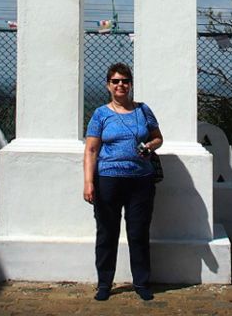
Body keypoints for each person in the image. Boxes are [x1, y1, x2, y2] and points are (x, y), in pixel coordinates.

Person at [83, 62, 163, 301]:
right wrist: (88, 182)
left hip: (141, 180)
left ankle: (141, 283)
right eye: (115, 81)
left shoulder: (143, 110)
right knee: (107, 233)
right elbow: (91, 150)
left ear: (131, 84)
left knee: (138, 233)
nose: (120, 85)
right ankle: (104, 284)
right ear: (108, 85)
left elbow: (158, 138)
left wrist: (149, 146)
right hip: (108, 180)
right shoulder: (101, 114)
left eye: (125, 81)